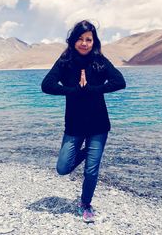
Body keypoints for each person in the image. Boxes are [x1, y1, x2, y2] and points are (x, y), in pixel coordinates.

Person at [41, 20, 126, 223]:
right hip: (74, 125)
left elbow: (120, 82)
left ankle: (85, 204)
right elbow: (47, 85)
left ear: (94, 42)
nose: (84, 43)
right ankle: (89, 152)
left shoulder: (100, 61)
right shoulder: (65, 61)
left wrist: (93, 89)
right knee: (63, 167)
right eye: (80, 39)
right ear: (73, 40)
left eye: (89, 39)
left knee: (91, 169)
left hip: (98, 124)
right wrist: (72, 91)